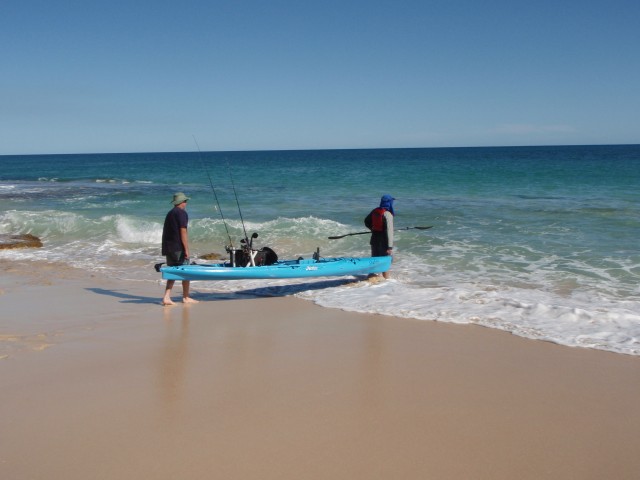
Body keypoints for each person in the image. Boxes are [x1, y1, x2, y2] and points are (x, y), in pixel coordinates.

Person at [161, 192, 199, 305]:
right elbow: (183, 232)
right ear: (182, 202)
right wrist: (186, 249)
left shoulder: (170, 213)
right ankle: (186, 297)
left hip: (168, 247)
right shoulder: (182, 213)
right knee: (186, 271)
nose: (186, 203)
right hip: (178, 248)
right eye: (185, 201)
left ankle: (167, 297)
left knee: (173, 272)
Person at [364, 194, 395, 279]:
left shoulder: (375, 211)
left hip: (374, 239)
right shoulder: (388, 214)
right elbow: (389, 231)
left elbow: (366, 221)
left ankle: (370, 279)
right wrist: (390, 247)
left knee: (374, 260)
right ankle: (387, 281)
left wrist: (372, 229)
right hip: (384, 241)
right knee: (385, 262)